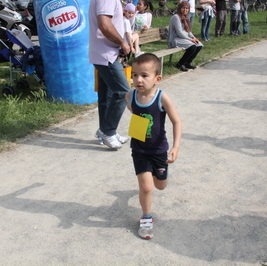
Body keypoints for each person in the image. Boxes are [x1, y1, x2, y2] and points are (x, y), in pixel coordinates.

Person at [125, 53, 182, 240]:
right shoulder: (130, 96)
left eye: (144, 75)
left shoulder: (162, 98)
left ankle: (159, 176)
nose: (138, 80)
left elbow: (176, 122)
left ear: (157, 79)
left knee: (160, 185)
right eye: (134, 75)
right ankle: (146, 218)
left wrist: (175, 147)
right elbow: (133, 109)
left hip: (159, 150)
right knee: (147, 187)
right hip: (139, 150)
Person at [89, 0, 131, 149]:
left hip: (105, 53)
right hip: (107, 55)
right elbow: (105, 25)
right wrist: (122, 43)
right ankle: (108, 131)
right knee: (123, 92)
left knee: (106, 96)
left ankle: (105, 132)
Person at [168, 1, 203, 72]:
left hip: (183, 38)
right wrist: (190, 39)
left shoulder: (185, 17)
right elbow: (179, 33)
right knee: (192, 47)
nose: (185, 10)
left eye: (187, 8)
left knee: (199, 45)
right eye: (183, 8)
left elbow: (188, 31)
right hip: (175, 39)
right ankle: (180, 63)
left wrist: (194, 37)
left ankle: (187, 62)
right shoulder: (176, 17)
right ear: (180, 8)